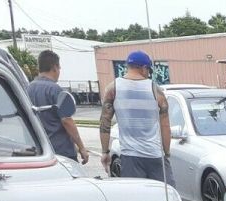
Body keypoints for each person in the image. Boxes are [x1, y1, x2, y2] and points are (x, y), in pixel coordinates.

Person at [99, 50, 171, 182]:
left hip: (130, 156)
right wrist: (166, 153)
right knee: (166, 195)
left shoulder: (113, 88)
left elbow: (105, 122)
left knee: (137, 197)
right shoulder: (156, 90)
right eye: (149, 70)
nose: (148, 74)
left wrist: (105, 152)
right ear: (144, 68)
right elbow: (165, 125)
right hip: (155, 155)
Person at [27, 50, 89, 164]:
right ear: (54, 67)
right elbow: (67, 121)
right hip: (61, 150)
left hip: (39, 150)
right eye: (59, 68)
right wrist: (81, 147)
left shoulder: (28, 88)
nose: (59, 71)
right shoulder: (55, 90)